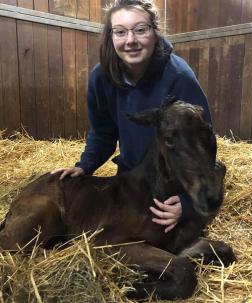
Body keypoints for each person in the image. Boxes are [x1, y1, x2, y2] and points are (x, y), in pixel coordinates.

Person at [52, 0, 216, 233]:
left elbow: (203, 143)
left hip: (174, 181)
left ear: (155, 32)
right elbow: (103, 133)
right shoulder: (101, 77)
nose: (130, 40)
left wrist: (188, 204)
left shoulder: (179, 77)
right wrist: (85, 166)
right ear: (111, 36)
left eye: (140, 30)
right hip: (132, 178)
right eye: (120, 32)